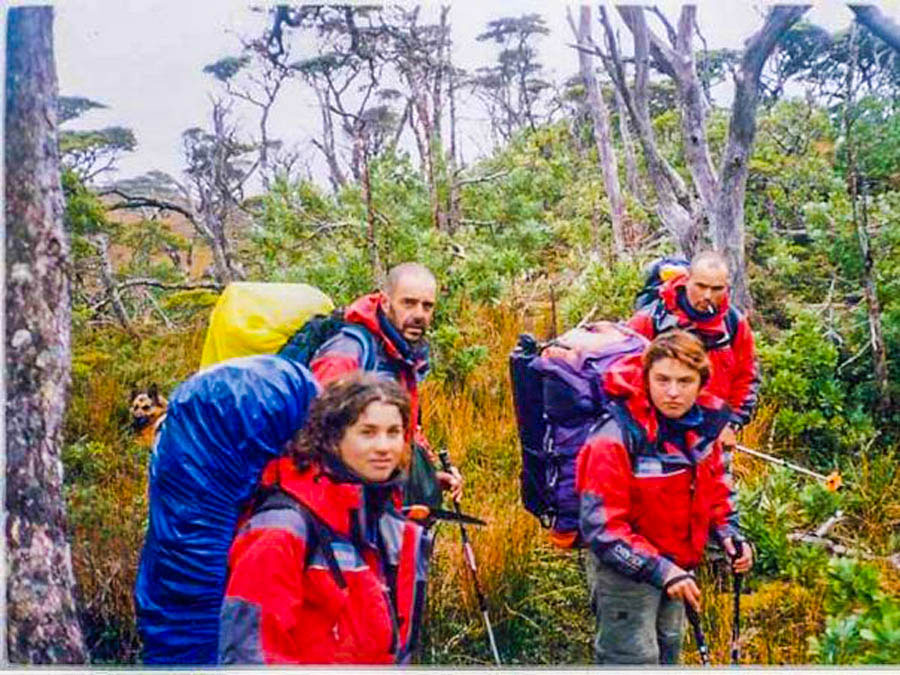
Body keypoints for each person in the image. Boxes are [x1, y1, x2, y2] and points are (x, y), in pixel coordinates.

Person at [218, 373, 432, 665]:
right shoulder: (280, 531)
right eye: (367, 432)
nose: (384, 447)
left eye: (393, 432)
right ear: (332, 438)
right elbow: (249, 654)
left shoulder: (380, 520)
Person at [576, 330, 753, 665]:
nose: (673, 392)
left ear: (701, 383)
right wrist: (662, 570)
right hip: (626, 572)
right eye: (662, 380)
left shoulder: (703, 428)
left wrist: (729, 533)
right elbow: (602, 528)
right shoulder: (613, 438)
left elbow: (717, 486)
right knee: (631, 658)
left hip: (679, 564)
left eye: (685, 381)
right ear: (646, 379)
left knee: (669, 649)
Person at [310, 262, 462, 501]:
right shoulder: (349, 350)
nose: (419, 315)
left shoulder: (402, 355)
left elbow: (403, 430)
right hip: (348, 504)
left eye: (427, 306)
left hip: (384, 499)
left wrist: (425, 476)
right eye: (408, 303)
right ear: (385, 301)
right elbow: (316, 434)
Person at [626, 251, 760, 446]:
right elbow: (626, 374)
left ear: (727, 288)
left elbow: (747, 377)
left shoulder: (734, 324)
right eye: (701, 286)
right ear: (687, 280)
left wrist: (731, 423)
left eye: (717, 289)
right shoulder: (650, 320)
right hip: (657, 436)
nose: (707, 296)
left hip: (712, 436)